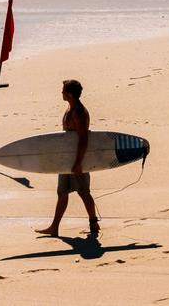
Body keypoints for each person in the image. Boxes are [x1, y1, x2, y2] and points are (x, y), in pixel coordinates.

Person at [35, 79, 100, 238]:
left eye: (63, 90)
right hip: (65, 160)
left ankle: (93, 223)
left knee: (83, 192)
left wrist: (78, 163)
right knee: (62, 192)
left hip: (77, 160)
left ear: (70, 94)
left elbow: (84, 139)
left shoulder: (78, 112)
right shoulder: (70, 108)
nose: (61, 92)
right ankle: (54, 227)